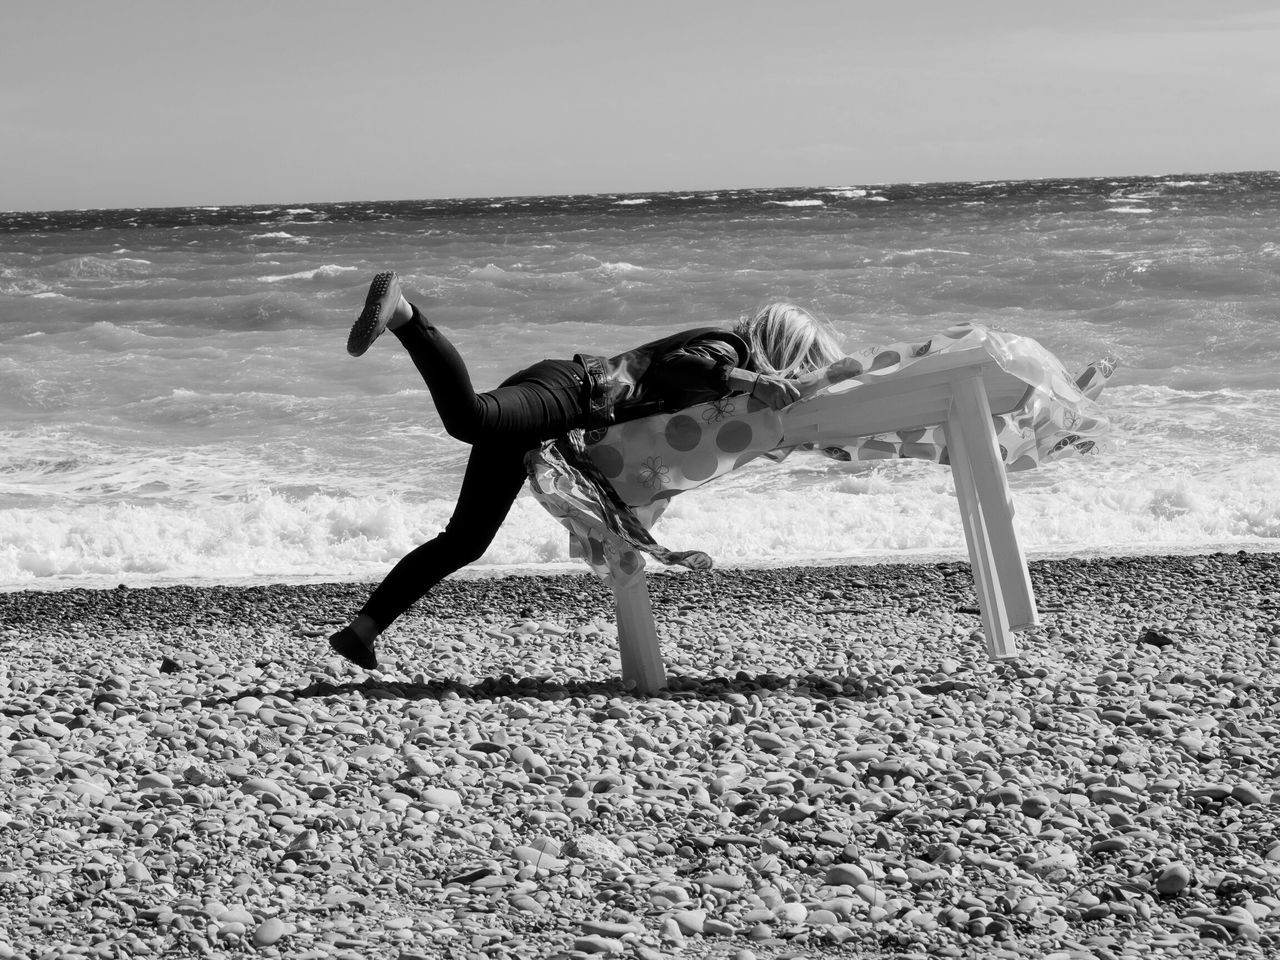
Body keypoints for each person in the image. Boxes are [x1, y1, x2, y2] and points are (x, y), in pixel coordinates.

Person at [328, 272, 843, 668]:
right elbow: (675, 369)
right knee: (471, 417)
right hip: (570, 390)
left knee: (465, 541)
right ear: (784, 350)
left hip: (560, 426)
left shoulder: (739, 380)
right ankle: (403, 313)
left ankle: (361, 632)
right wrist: (747, 377)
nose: (790, 380)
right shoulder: (730, 351)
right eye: (797, 368)